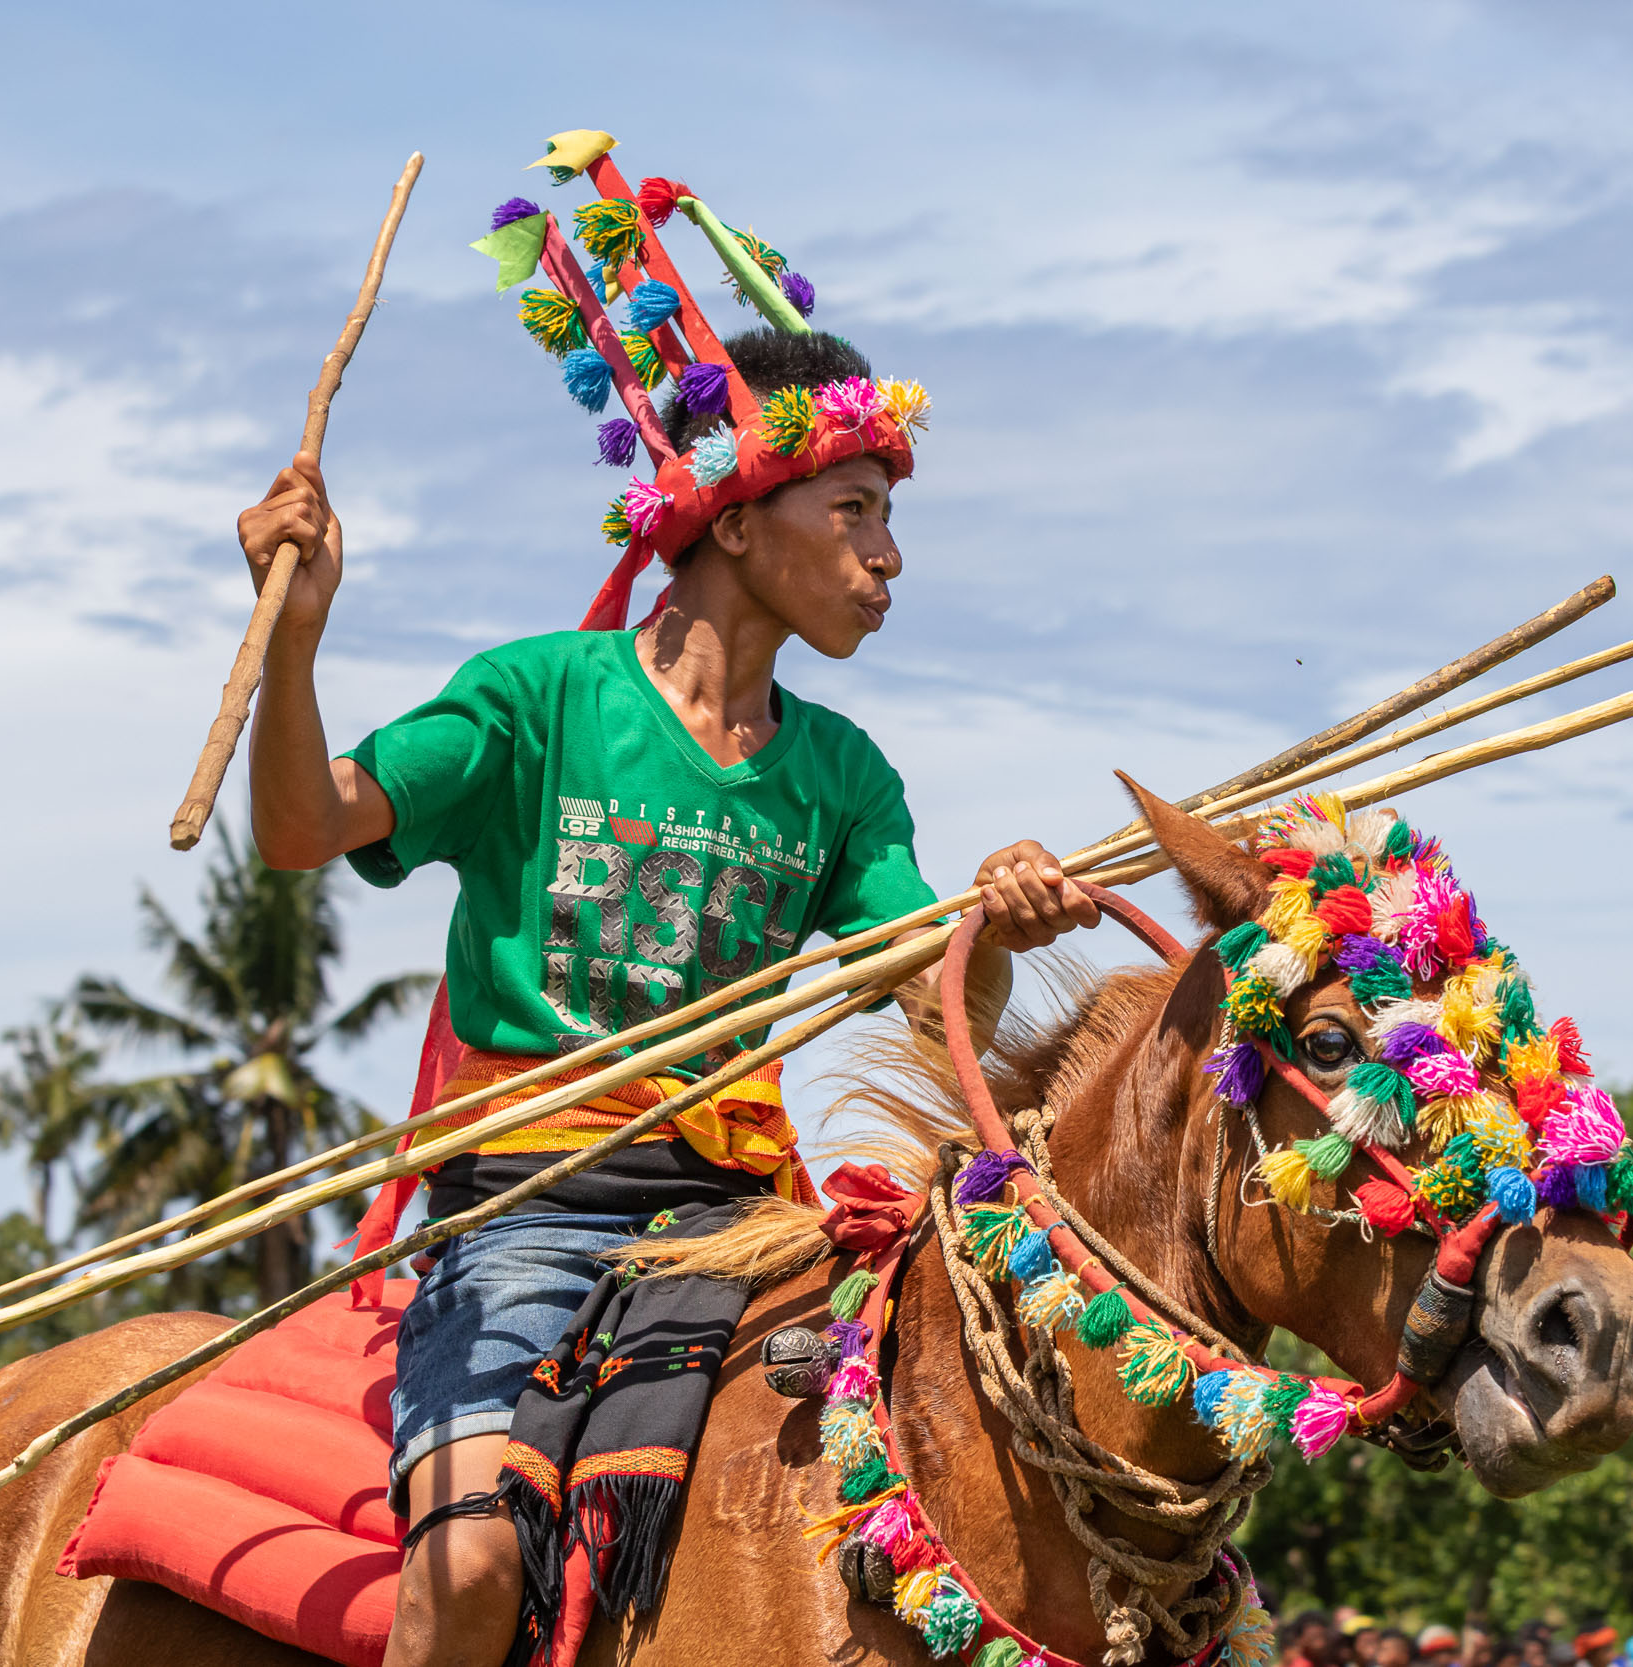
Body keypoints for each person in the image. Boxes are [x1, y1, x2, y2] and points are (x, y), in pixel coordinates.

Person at [240, 145, 1098, 1667]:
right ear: (734, 516)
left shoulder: (845, 777)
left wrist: (992, 931)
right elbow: (305, 828)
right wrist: (296, 644)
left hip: (742, 1229)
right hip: (526, 1212)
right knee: (473, 1572)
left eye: (889, 521)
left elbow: (927, 999)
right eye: (854, 512)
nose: (890, 559)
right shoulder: (534, 701)